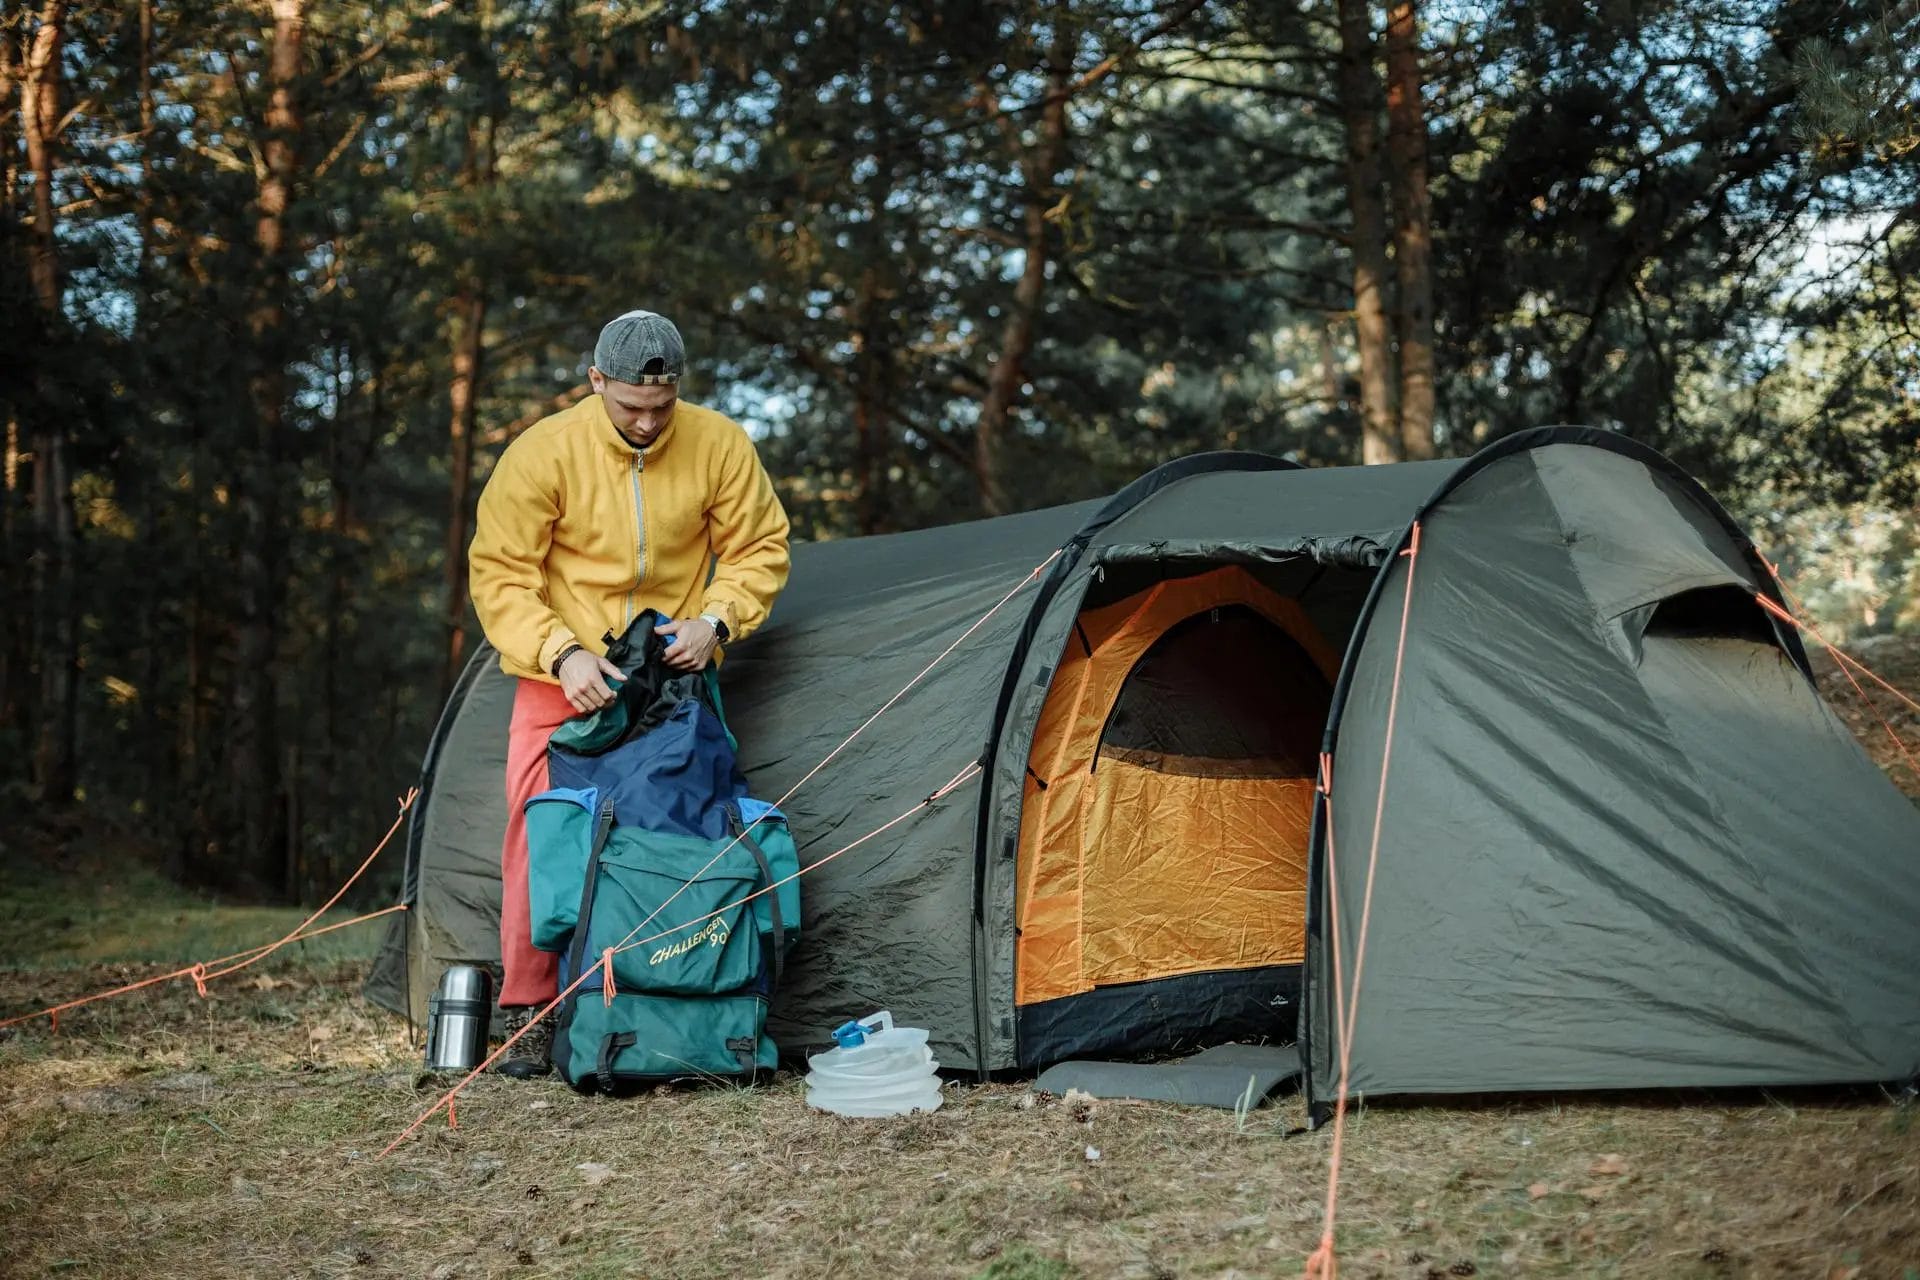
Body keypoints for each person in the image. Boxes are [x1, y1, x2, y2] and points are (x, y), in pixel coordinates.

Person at [469, 309, 791, 1077]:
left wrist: (717, 619)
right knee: (542, 832)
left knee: (672, 834)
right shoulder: (542, 452)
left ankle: (662, 1005)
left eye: (661, 406)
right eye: (628, 407)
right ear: (595, 382)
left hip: (669, 680)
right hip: (565, 676)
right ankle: (532, 1013)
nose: (646, 423)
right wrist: (560, 650)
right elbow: (501, 573)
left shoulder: (719, 444)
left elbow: (760, 548)